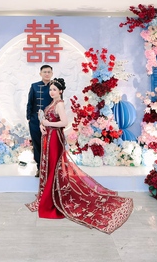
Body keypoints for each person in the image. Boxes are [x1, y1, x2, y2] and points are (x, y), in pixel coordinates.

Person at [26, 78, 133, 234]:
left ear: (61, 91)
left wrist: (48, 124)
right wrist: (43, 125)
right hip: (48, 137)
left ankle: (52, 199)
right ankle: (49, 195)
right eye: (50, 89)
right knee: (49, 166)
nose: (51, 92)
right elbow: (47, 118)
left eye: (54, 89)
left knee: (55, 166)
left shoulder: (59, 104)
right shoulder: (52, 103)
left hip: (54, 138)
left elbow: (63, 122)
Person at [26, 65, 53, 176]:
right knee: (37, 144)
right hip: (35, 121)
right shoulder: (34, 86)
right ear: (40, 73)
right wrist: (29, 118)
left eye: (49, 72)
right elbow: (30, 103)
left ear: (52, 73)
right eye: (44, 72)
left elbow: (59, 102)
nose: (47, 74)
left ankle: (50, 168)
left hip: (51, 120)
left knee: (50, 144)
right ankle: (39, 168)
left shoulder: (55, 86)